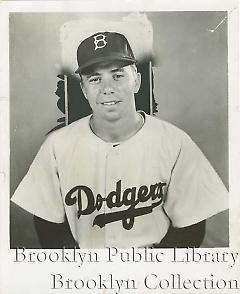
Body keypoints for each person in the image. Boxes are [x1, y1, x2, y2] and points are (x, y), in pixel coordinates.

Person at [11, 31, 228, 249]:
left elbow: (191, 226)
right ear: (84, 89)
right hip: (83, 276)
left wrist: (152, 272)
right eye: (95, 79)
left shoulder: (176, 143)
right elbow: (47, 223)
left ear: (137, 81)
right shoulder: (56, 146)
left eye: (118, 75)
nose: (107, 88)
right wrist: (79, 272)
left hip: (153, 274)